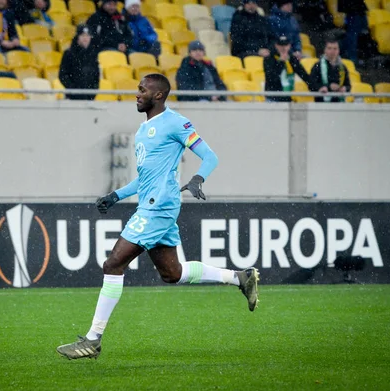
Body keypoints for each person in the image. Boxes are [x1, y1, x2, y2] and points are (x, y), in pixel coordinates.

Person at [56, 73, 260, 360]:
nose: (137, 94)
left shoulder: (175, 123)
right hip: (151, 204)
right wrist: (116, 195)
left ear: (159, 95)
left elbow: (210, 155)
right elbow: (145, 178)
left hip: (158, 207)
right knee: (172, 273)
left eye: (142, 90)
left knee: (113, 264)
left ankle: (92, 340)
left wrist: (198, 178)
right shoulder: (143, 131)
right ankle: (239, 277)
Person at [59, 24, 99, 100]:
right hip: (73, 97)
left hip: (89, 98)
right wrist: (73, 89)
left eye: (88, 35)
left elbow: (96, 77)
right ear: (77, 37)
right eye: (83, 35)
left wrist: (93, 92)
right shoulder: (69, 53)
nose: (85, 38)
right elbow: (62, 75)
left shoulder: (93, 55)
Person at [264, 35, 309, 102]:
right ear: (276, 45)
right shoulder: (269, 59)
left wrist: (317, 87)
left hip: (287, 97)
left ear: (289, 46)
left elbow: (303, 74)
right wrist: (281, 62)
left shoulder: (291, 59)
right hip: (273, 97)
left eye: (285, 45)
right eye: (281, 45)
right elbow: (271, 78)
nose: (283, 48)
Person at [309, 38, 351, 103]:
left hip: (339, 103)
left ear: (338, 50)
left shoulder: (343, 67)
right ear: (325, 50)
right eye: (329, 48)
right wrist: (326, 87)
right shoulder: (318, 66)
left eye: (335, 48)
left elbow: (348, 86)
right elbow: (311, 84)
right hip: (321, 103)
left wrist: (344, 88)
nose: (332, 51)